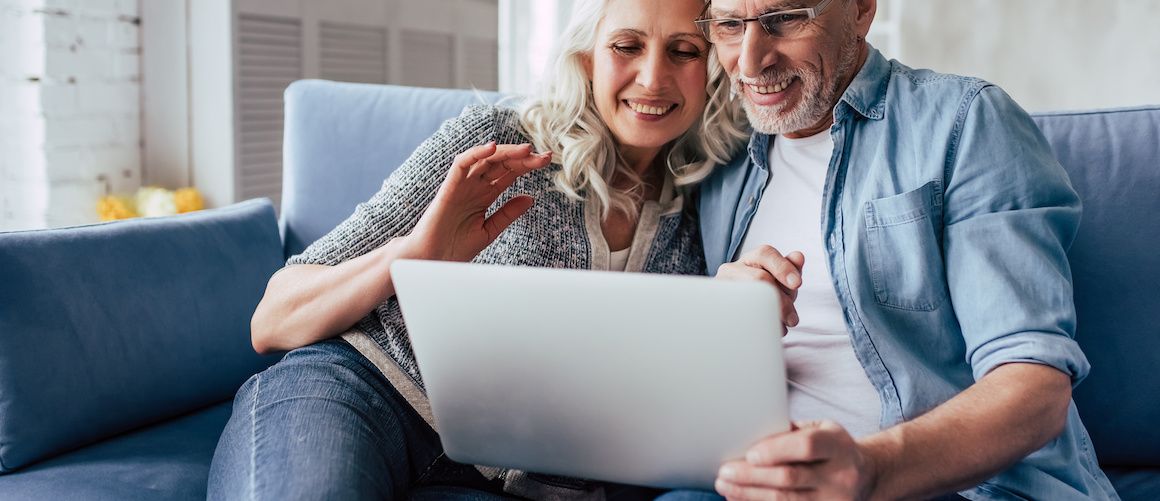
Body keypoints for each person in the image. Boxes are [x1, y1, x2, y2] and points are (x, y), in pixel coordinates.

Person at [206, 0, 749, 499]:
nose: (653, 78)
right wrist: (413, 256)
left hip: (523, 475)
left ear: (712, 70)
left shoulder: (710, 202)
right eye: (626, 46)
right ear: (587, 60)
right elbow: (273, 317)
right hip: (364, 394)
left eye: (684, 52)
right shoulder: (498, 142)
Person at [663, 0, 1120, 499]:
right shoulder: (718, 153)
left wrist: (869, 469)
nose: (750, 62)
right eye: (730, 25)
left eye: (787, 18)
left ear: (860, 10)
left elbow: (1034, 387)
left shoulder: (964, 122)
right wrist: (720, 324)